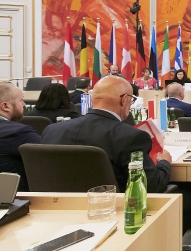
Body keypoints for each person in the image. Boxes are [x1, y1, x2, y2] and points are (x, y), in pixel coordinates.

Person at [41, 76, 171, 193]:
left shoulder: (51, 131)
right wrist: (164, 162)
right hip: (111, 208)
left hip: (55, 208)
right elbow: (151, 185)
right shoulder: (131, 137)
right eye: (131, 100)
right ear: (124, 100)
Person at [0, 83, 41, 191]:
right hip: (13, 198)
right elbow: (51, 157)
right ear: (5, 106)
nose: (24, 104)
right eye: (21, 100)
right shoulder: (18, 132)